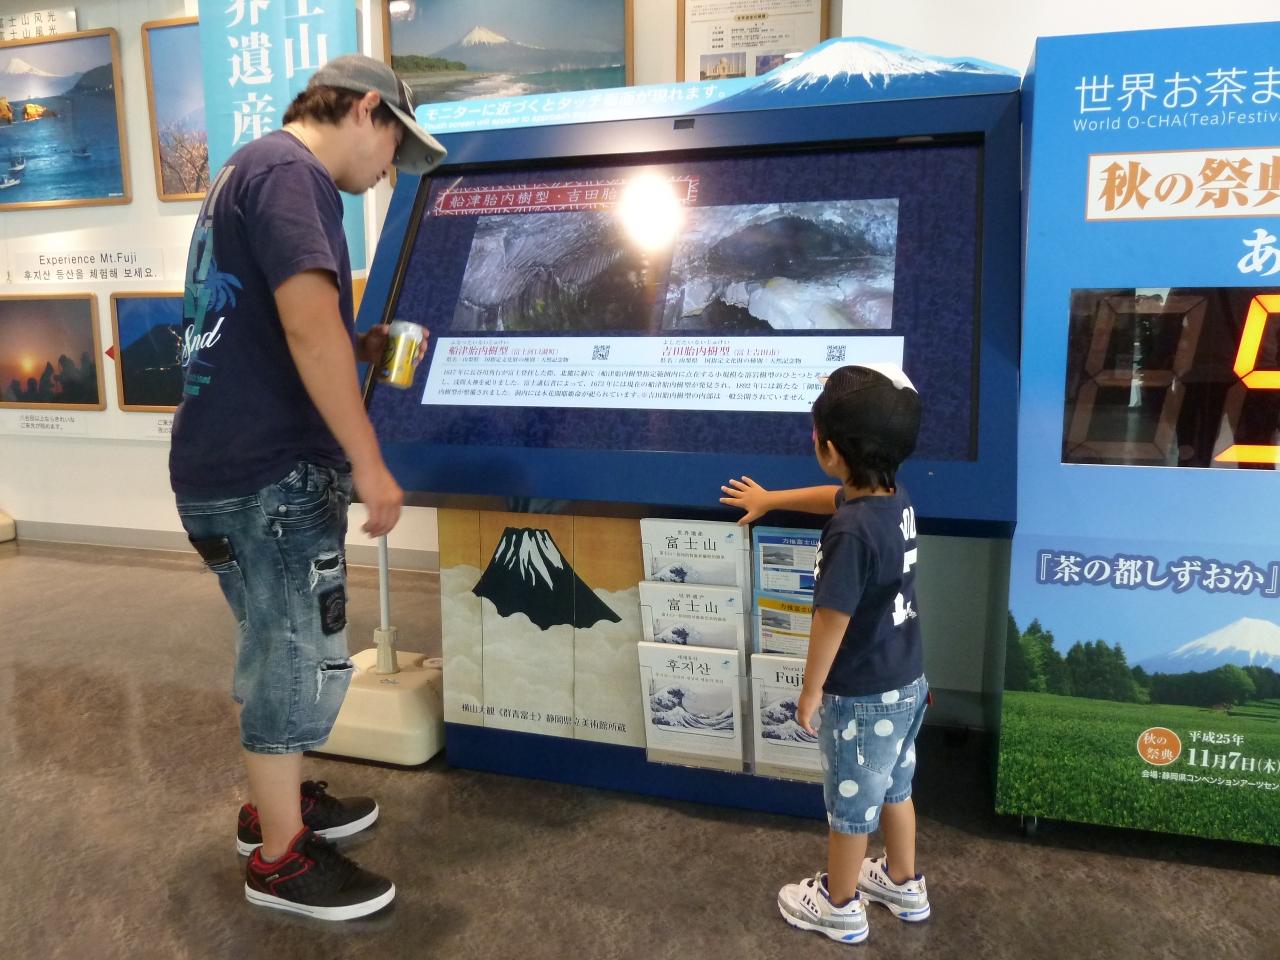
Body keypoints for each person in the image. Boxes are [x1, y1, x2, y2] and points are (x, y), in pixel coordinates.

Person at [169, 54, 445, 921]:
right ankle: (281, 861)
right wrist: (368, 460)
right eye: (395, 145)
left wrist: (359, 345)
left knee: (275, 642)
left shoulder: (248, 168)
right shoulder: (295, 175)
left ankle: (275, 807)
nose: (390, 169)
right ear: (366, 109)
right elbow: (304, 323)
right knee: (293, 659)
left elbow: (274, 320)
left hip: (225, 463)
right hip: (270, 472)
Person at [720, 364, 931, 944]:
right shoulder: (892, 499)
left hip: (860, 694)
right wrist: (771, 499)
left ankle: (839, 906)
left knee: (850, 805)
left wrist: (810, 690)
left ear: (829, 448)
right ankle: (903, 882)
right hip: (907, 681)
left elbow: (831, 620)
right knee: (896, 787)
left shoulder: (850, 533)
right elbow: (835, 498)